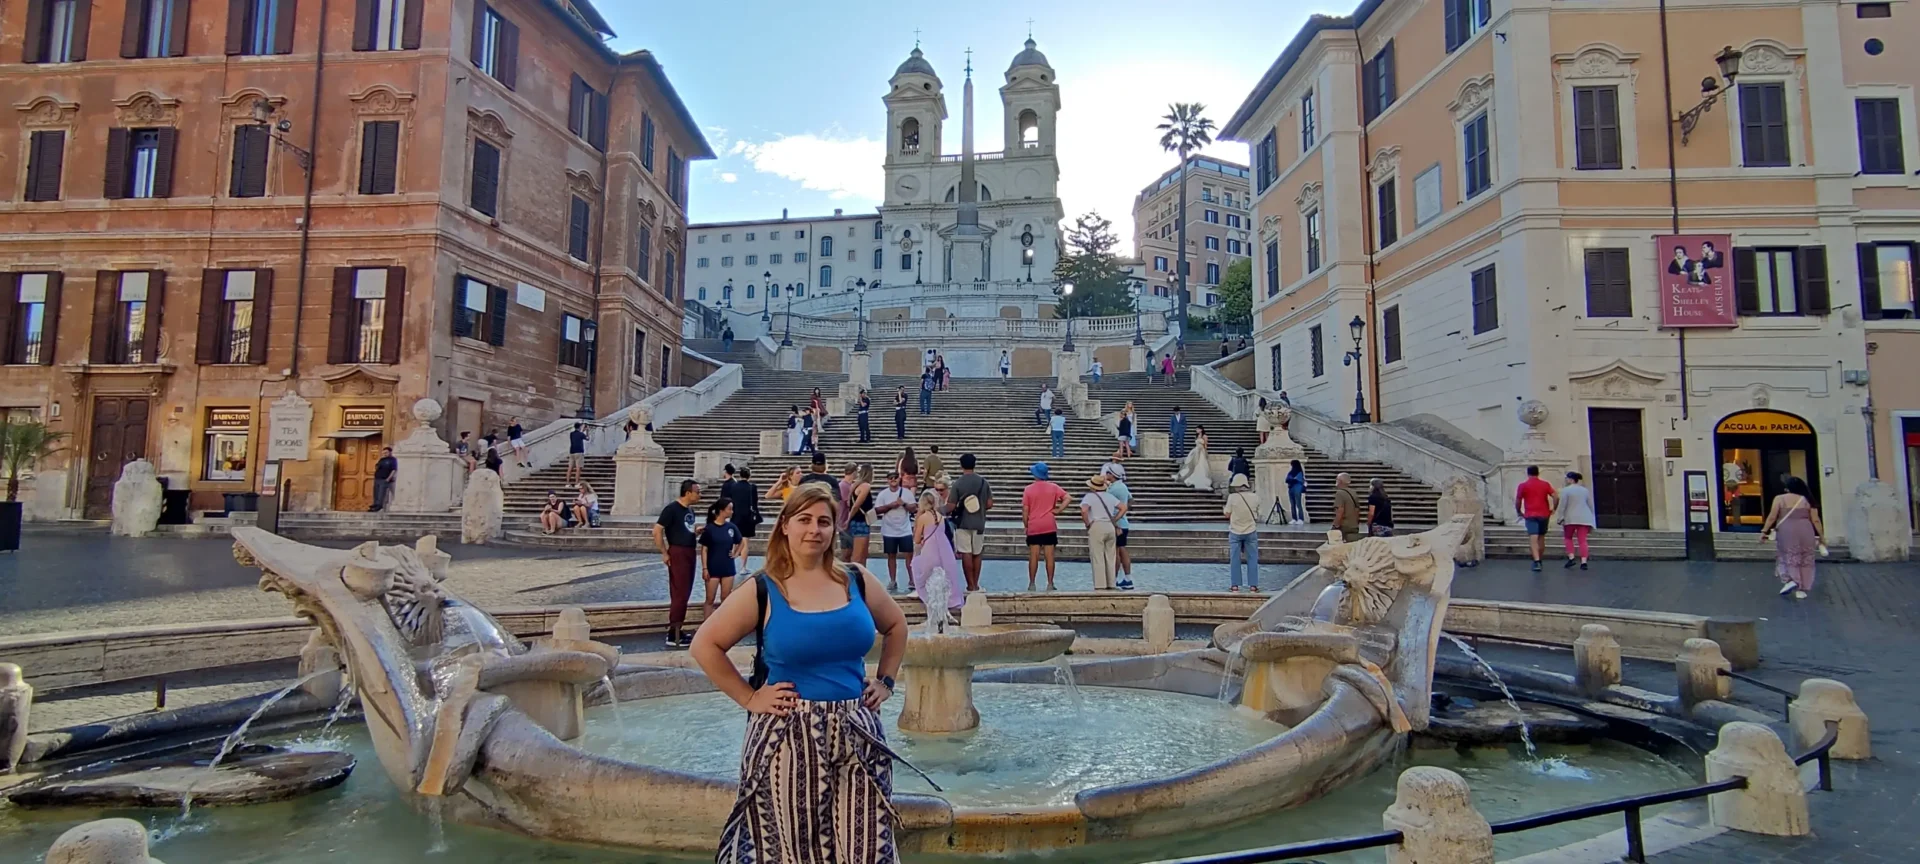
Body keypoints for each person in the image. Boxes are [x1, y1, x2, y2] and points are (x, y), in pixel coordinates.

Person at [692, 484, 909, 864]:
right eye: (804, 520)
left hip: (858, 727)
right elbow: (705, 645)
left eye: (824, 522)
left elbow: (896, 626)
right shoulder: (763, 588)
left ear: (833, 529)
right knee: (792, 851)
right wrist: (750, 696)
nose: (815, 530)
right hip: (789, 731)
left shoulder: (855, 579)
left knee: (868, 849)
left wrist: (886, 681)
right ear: (785, 527)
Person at [1759, 476, 1826, 600]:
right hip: (1806, 529)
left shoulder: (1780, 499)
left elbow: (1772, 517)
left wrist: (1764, 531)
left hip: (1786, 529)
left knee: (1788, 555)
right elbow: (1816, 520)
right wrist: (1821, 537)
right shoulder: (1808, 500)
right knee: (1806, 557)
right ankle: (1802, 588)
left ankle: (1792, 580)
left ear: (1787, 488)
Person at [653, 479, 702, 648]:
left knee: (685, 591)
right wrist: (664, 552)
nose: (699, 495)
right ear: (688, 492)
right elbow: (657, 530)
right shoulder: (671, 509)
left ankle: (678, 629)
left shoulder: (690, 510)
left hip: (689, 550)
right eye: (697, 491)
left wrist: (695, 533)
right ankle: (673, 633)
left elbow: (684, 530)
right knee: (679, 592)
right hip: (678, 551)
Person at [911, 488, 965, 615]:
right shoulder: (941, 517)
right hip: (944, 548)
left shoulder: (923, 517)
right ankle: (951, 600)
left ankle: (925, 595)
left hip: (930, 548)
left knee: (918, 567)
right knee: (946, 574)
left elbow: (917, 539)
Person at [947, 454, 992, 592]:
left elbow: (951, 506)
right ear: (975, 464)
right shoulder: (983, 482)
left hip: (963, 523)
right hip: (979, 523)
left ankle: (970, 585)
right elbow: (990, 503)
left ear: (961, 465)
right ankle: (977, 584)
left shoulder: (958, 483)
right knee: (977, 553)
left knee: (966, 553)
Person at [1021, 463, 1070, 591]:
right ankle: (1050, 583)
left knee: (1034, 556)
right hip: (1049, 524)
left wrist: (1026, 525)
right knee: (1050, 556)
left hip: (1034, 524)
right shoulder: (1053, 487)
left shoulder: (1028, 489)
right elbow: (1068, 498)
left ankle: (1032, 583)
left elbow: (1025, 510)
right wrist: (1058, 510)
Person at [700, 498, 744, 619]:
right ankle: (706, 625)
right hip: (713, 567)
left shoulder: (731, 527)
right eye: (729, 509)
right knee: (710, 598)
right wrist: (704, 568)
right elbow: (704, 549)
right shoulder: (710, 528)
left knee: (726, 597)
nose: (732, 512)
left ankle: (724, 623)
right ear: (721, 510)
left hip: (727, 567)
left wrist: (736, 554)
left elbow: (741, 542)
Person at [1081, 474, 1126, 590]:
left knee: (1097, 556)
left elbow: (1084, 510)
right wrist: (1115, 519)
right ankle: (1111, 583)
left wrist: (1088, 523)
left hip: (1097, 525)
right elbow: (1123, 507)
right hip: (1110, 526)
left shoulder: (1089, 497)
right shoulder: (1110, 497)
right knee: (1111, 556)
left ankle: (1100, 584)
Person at [874, 472, 916, 591]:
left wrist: (904, 504)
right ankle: (893, 580)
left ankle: (912, 579)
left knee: (909, 556)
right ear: (887, 480)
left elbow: (913, 508)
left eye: (895, 478)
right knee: (891, 556)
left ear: (899, 479)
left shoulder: (907, 493)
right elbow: (877, 510)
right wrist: (890, 506)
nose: (893, 480)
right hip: (889, 530)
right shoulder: (883, 494)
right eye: (890, 478)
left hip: (905, 529)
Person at [1514, 465, 1558, 572]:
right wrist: (1553, 508)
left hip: (1530, 514)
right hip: (1544, 513)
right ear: (1538, 473)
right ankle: (1540, 558)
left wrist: (1519, 511)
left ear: (1528, 473)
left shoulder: (1523, 485)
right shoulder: (1545, 484)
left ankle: (1536, 561)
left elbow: (1518, 500)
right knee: (1541, 537)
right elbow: (1556, 496)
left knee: (1533, 538)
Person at [1224, 473, 1261, 593]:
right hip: (1251, 530)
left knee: (1235, 559)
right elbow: (1258, 513)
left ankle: (1235, 586)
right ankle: (1253, 586)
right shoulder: (1255, 497)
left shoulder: (1232, 497)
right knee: (1252, 558)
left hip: (1235, 531)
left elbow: (1227, 514)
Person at [1104, 463, 1136, 590]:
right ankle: (1127, 578)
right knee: (1122, 550)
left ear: (1113, 475)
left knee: (1116, 552)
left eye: (1108, 473)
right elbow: (1131, 500)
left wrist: (1115, 518)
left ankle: (1114, 578)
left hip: (1117, 523)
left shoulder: (1113, 489)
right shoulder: (1122, 486)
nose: (1106, 474)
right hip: (1124, 522)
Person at [1558, 471, 1596, 570]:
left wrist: (1560, 517)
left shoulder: (1566, 491)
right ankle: (1584, 561)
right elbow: (1590, 504)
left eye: (1567, 478)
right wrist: (1592, 518)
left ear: (1570, 479)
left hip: (1570, 517)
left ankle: (1571, 557)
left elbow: (1563, 505)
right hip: (1584, 517)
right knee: (1582, 540)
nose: (1566, 480)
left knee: (1568, 538)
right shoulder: (1585, 490)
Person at [845, 464, 875, 569]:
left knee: (862, 555)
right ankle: (854, 580)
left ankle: (862, 578)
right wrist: (848, 519)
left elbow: (849, 504)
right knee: (859, 556)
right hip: (860, 521)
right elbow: (856, 505)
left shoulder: (854, 485)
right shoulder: (865, 486)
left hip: (858, 521)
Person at [1172, 425, 1212, 492]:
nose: (1197, 430)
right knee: (1191, 463)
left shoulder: (1204, 436)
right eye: (1196, 429)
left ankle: (1200, 478)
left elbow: (1205, 446)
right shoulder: (1197, 436)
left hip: (1201, 451)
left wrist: (1204, 452)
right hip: (1195, 451)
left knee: (1200, 464)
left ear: (1201, 430)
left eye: (1198, 429)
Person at [1331, 472, 1362, 543]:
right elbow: (1357, 509)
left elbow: (1340, 511)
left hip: (1344, 526)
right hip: (1353, 526)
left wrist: (1335, 525)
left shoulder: (1339, 493)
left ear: (1339, 481)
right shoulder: (1353, 492)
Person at [371, 447, 397, 511]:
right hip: (377, 478)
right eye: (384, 453)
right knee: (376, 492)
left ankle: (379, 506)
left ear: (390, 452)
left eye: (386, 452)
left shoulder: (393, 460)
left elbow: (393, 470)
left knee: (381, 493)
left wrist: (388, 478)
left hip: (384, 479)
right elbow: (377, 466)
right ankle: (375, 504)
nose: (385, 454)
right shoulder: (382, 459)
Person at [1285, 459, 1309, 524]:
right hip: (1291, 488)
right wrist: (1292, 480)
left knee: (1298, 504)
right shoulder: (1291, 472)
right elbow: (1287, 480)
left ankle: (1301, 518)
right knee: (1292, 504)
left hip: (1297, 488)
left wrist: (1291, 480)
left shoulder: (1299, 472)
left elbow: (1296, 480)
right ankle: (1294, 518)